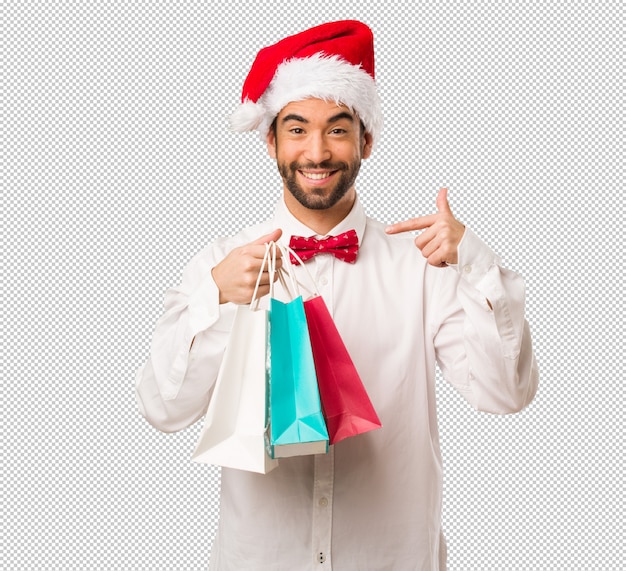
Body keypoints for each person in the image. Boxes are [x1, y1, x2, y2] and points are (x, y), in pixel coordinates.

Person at [135, 20, 538, 571]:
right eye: (297, 129)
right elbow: (164, 410)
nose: (317, 152)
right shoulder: (220, 264)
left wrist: (477, 264)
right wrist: (216, 299)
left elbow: (505, 395)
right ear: (271, 140)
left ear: (366, 140)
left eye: (338, 129)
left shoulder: (422, 267)